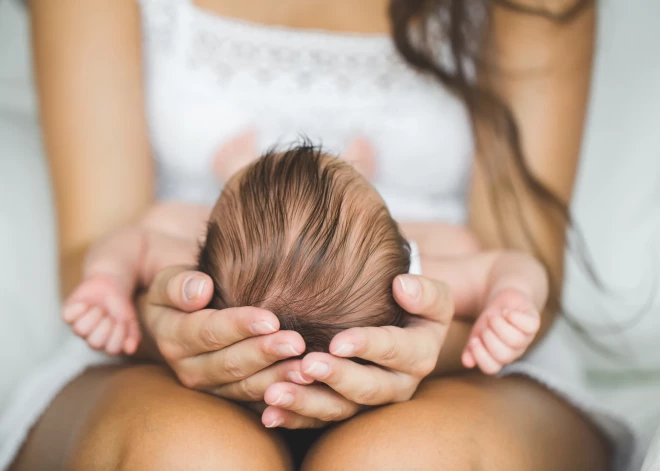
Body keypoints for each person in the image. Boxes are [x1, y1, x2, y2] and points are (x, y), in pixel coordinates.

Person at [7, 0, 624, 470]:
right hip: (161, 354)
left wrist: (445, 341)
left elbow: (518, 271)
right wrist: (148, 318)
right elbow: (506, 272)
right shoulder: (429, 257)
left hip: (452, 363)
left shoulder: (182, 240)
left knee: (398, 460)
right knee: (186, 453)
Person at [63, 145, 545, 374]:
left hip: (244, 230)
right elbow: (510, 263)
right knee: (462, 243)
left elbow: (134, 242)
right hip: (393, 242)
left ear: (201, 248)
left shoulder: (199, 280)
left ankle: (233, 171)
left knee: (162, 215)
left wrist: (107, 279)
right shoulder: (412, 280)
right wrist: (510, 298)